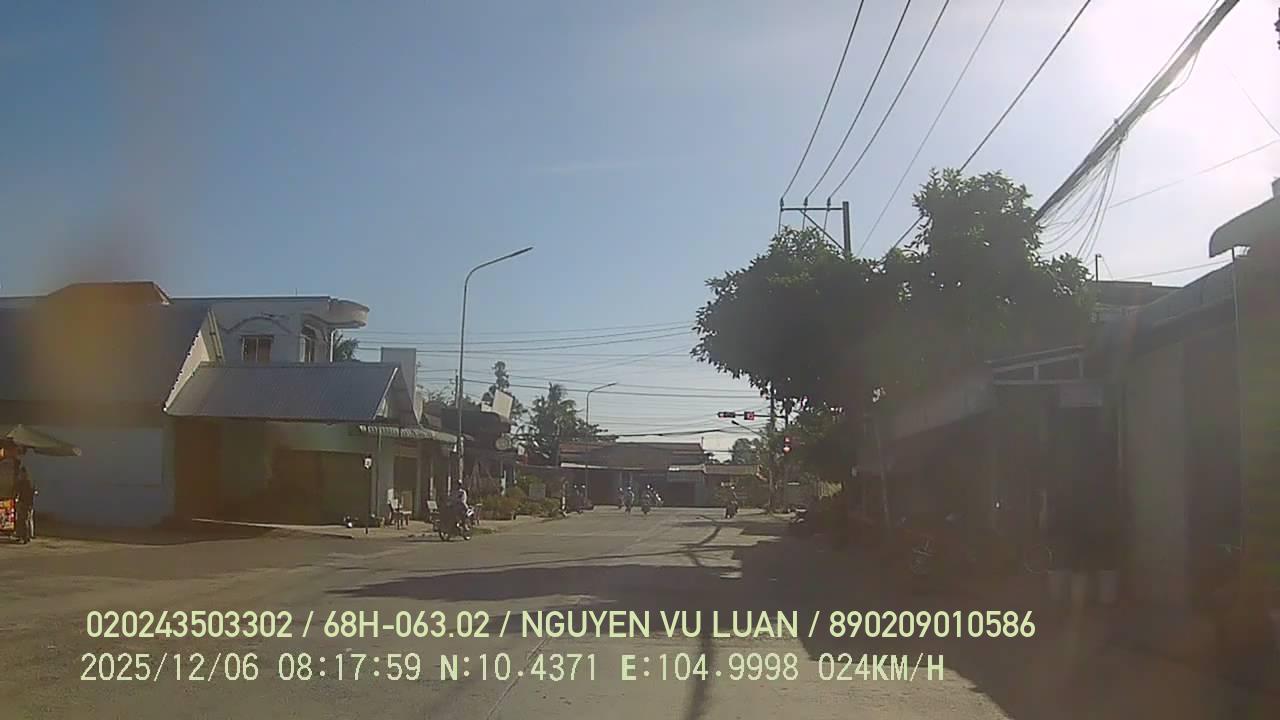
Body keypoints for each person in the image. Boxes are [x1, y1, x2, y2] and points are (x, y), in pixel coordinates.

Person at [15, 465, 34, 545]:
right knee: (23, 520)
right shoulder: (27, 482)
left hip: (25, 503)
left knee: (24, 520)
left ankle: (25, 537)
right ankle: (25, 536)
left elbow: (19, 492)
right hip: (26, 503)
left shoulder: (25, 483)